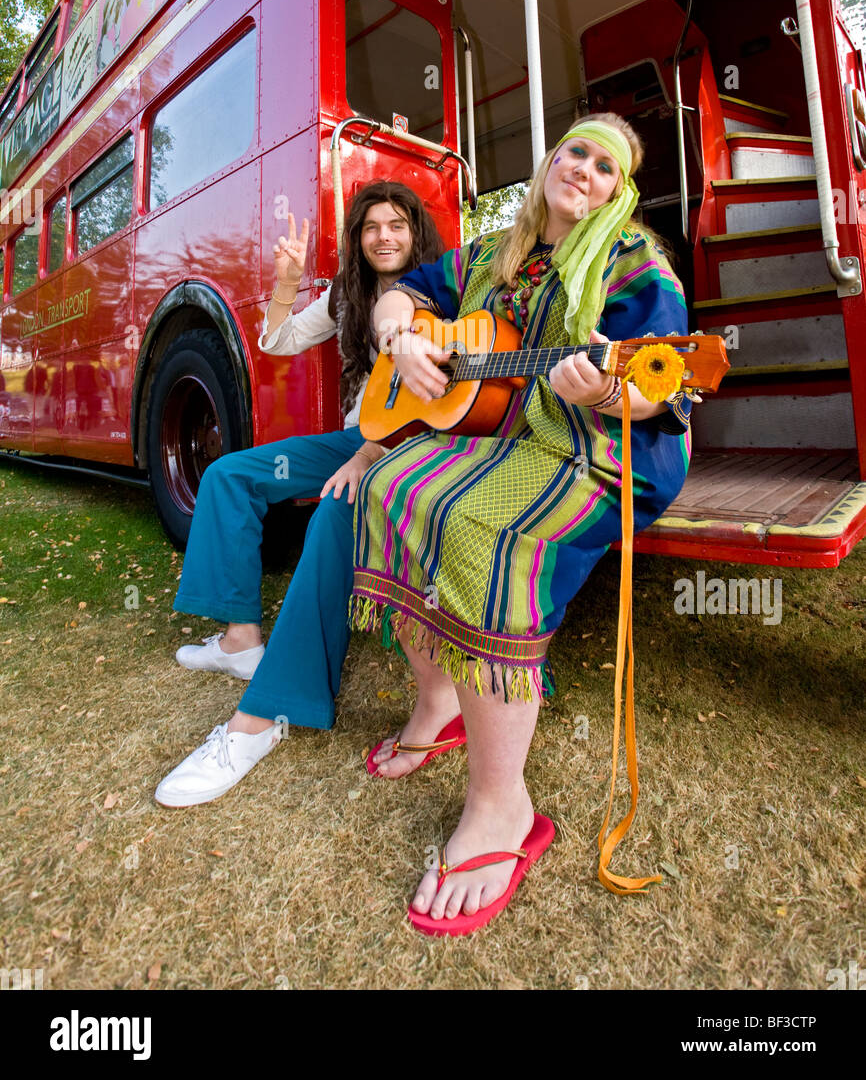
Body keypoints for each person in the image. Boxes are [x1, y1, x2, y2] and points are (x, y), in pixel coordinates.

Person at [350, 113, 693, 934]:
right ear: (549, 162)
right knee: (389, 488)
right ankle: (437, 709)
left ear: (621, 190)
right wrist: (398, 338)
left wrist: (607, 390)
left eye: (606, 167)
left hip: (603, 453)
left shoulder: (636, 266)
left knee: (479, 528)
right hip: (508, 436)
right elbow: (398, 294)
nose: (584, 170)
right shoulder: (492, 255)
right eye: (575, 151)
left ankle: (505, 809)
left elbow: (662, 386)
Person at [154, 180, 444, 806]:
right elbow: (277, 341)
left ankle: (270, 714)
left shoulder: (443, 286)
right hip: (355, 439)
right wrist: (286, 282)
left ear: (416, 231)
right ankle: (240, 641)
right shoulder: (349, 294)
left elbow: (439, 398)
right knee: (230, 475)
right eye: (371, 227)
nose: (384, 236)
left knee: (335, 512)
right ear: (357, 239)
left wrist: (370, 458)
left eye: (397, 224)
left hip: (413, 446)